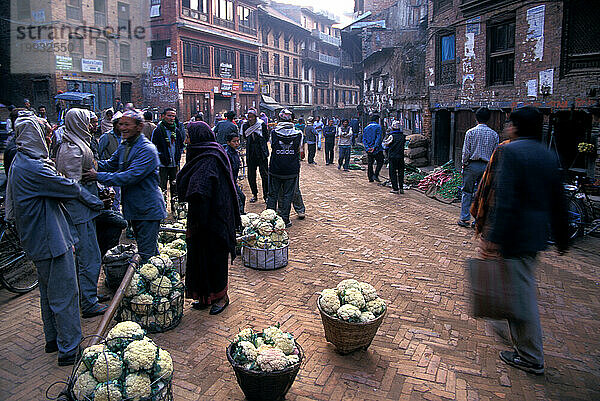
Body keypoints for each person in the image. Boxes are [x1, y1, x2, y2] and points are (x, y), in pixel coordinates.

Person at [5, 110, 103, 365]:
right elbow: (69, 186)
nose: (50, 137)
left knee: (49, 292)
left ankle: (53, 339)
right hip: (51, 239)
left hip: (38, 236)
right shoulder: (35, 167)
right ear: (35, 137)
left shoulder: (21, 160)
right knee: (64, 294)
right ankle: (69, 348)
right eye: (45, 133)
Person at [479, 106, 568, 375]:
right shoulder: (548, 154)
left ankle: (530, 356)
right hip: (535, 236)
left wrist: (492, 238)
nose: (506, 127)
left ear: (516, 126)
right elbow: (559, 201)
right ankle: (513, 336)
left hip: (514, 236)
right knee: (517, 288)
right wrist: (562, 237)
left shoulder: (512, 152)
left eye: (509, 123)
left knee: (521, 296)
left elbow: (506, 200)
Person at [83, 110, 167, 261]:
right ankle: (159, 277)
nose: (122, 128)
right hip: (135, 208)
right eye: (120, 124)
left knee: (147, 254)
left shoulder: (147, 150)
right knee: (148, 250)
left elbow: (129, 177)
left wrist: (97, 176)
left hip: (148, 209)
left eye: (127, 124)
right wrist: (90, 163)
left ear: (139, 126)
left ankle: (156, 281)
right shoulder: (125, 145)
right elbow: (110, 164)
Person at [176, 121, 240, 314]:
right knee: (200, 258)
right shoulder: (202, 153)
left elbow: (202, 187)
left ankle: (221, 296)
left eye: (189, 136)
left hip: (214, 217)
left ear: (198, 138)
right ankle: (205, 296)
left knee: (215, 257)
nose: (186, 140)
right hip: (201, 217)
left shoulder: (210, 157)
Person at [56, 108, 108, 318]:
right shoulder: (73, 150)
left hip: (85, 211)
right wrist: (95, 201)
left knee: (90, 256)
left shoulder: (78, 145)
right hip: (79, 213)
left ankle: (89, 295)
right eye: (87, 122)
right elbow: (72, 187)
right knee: (89, 258)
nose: (91, 126)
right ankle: (88, 302)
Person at [458, 107, 499, 228]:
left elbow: (466, 152)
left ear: (476, 118)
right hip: (487, 166)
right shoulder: (494, 134)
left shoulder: (470, 132)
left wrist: (464, 164)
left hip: (472, 165)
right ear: (489, 118)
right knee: (482, 194)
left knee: (467, 192)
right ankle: (478, 220)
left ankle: (464, 218)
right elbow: (495, 153)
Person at [267, 109, 304, 227]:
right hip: (291, 169)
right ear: (292, 120)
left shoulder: (273, 133)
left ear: (279, 119)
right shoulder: (299, 134)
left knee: (272, 194)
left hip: (275, 168)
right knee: (288, 195)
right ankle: (285, 220)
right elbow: (299, 151)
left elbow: (272, 146)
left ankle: (269, 221)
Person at [151, 108, 185, 211]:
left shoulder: (176, 130)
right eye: (169, 116)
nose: (171, 118)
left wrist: (178, 155)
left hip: (175, 164)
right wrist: (161, 156)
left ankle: (176, 210)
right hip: (162, 165)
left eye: (173, 116)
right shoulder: (158, 130)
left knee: (175, 188)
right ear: (163, 116)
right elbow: (153, 146)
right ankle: (162, 210)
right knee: (162, 188)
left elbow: (181, 145)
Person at [242, 108, 269, 203]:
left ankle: (266, 195)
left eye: (252, 117)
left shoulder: (261, 124)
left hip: (261, 152)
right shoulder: (245, 126)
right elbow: (245, 137)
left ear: (255, 117)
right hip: (251, 153)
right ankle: (254, 194)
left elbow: (266, 137)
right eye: (248, 117)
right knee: (251, 176)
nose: (250, 119)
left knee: (265, 175)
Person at [224, 132, 246, 214]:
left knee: (241, 197)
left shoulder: (234, 152)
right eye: (234, 141)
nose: (237, 143)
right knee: (238, 200)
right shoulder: (227, 154)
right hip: (229, 181)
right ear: (228, 142)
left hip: (233, 180)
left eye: (238, 141)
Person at [383, 121, 406, 193]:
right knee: (401, 172)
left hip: (393, 156)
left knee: (392, 172)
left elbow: (385, 144)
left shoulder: (391, 136)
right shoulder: (403, 136)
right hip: (401, 156)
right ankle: (401, 188)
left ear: (392, 127)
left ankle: (395, 188)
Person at [363, 114, 384, 182]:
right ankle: (376, 174)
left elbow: (364, 139)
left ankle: (370, 177)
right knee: (380, 161)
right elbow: (378, 138)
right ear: (377, 120)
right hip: (377, 149)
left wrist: (367, 147)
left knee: (370, 163)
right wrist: (375, 147)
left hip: (369, 148)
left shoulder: (366, 128)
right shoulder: (378, 127)